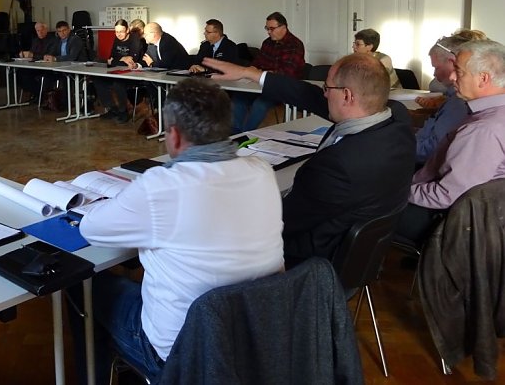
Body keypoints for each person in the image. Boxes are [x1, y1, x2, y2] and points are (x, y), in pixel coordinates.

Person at [68, 78, 283, 384]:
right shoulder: (261, 170)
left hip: (183, 356)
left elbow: (91, 229)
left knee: (84, 287)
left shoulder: (161, 187)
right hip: (254, 339)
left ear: (175, 136)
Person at [204, 53, 415, 265]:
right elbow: (310, 96)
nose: (323, 95)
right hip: (362, 254)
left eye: (327, 88)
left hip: (311, 260)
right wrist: (251, 74)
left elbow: (279, 222)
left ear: (347, 96)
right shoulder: (397, 119)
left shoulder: (338, 166)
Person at [396, 40, 505, 245]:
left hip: (447, 220)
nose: (453, 77)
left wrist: (395, 190)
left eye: (459, 71)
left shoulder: (482, 131)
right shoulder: (492, 115)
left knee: (361, 204)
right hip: (479, 217)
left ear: (483, 78)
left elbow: (446, 196)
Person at [229, 12, 305, 133]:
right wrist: (252, 68)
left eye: (272, 28)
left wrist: (262, 73)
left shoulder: (295, 45)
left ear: (284, 27)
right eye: (267, 28)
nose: (269, 32)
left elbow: (286, 73)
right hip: (261, 84)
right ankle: (236, 133)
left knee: (260, 104)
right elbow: (257, 62)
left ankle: (246, 134)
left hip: (283, 87)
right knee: (238, 99)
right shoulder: (267, 43)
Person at [414, 35, 472, 165]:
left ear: (452, 63)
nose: (434, 74)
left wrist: (399, 147)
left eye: (436, 67)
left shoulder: (459, 102)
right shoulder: (453, 98)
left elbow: (431, 150)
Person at [94, 19, 145, 123]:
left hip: (134, 73)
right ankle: (112, 109)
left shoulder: (135, 39)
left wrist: (116, 60)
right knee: (98, 80)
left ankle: (123, 111)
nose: (119, 34)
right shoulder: (116, 38)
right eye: (116, 32)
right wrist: (122, 59)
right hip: (117, 70)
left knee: (118, 83)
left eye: (121, 31)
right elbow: (111, 58)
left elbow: (132, 61)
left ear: (127, 30)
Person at [18, 21, 57, 98]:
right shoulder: (35, 40)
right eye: (38, 31)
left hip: (47, 67)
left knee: (27, 76)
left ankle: (39, 95)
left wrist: (33, 55)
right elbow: (31, 53)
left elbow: (49, 56)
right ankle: (37, 93)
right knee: (18, 73)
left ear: (46, 29)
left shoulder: (53, 40)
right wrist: (24, 54)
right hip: (35, 65)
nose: (40, 32)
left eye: (42, 30)